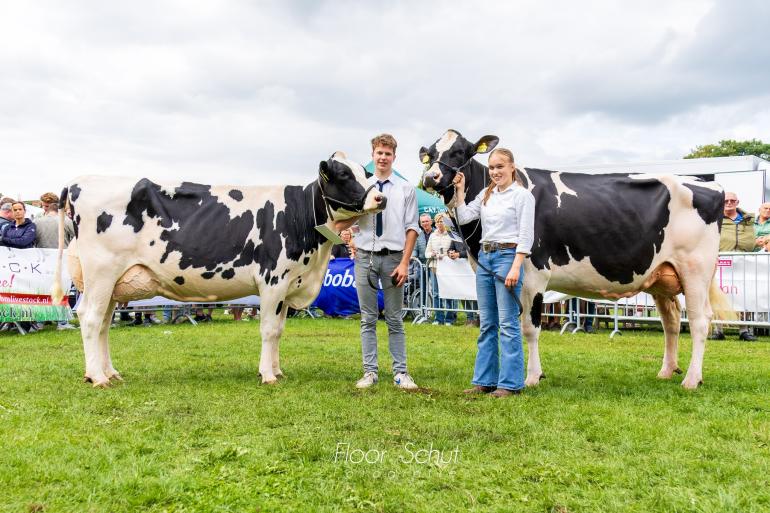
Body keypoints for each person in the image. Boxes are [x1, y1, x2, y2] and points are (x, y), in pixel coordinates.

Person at [454, 148, 535, 398]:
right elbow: (464, 217)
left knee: (508, 323)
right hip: (485, 256)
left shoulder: (522, 195)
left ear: (512, 167)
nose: (495, 172)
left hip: (508, 256)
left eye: (500, 166)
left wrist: (516, 266)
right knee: (487, 323)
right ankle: (485, 380)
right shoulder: (486, 194)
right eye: (491, 167)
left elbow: (526, 235)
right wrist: (460, 191)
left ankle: (510, 384)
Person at [347, 133, 419, 390]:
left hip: (394, 257)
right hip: (365, 256)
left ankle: (401, 372)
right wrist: (351, 237)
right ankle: (370, 372)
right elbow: (352, 219)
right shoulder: (361, 186)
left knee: (395, 318)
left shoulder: (406, 188)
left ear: (394, 157)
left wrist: (405, 263)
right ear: (373, 155)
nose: (383, 157)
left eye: (388, 154)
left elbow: (412, 227)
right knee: (367, 318)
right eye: (379, 153)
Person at [712, 192, 758, 341]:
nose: (729, 203)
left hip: (743, 264)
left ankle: (744, 330)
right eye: (726, 200)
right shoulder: (715, 218)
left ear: (737, 202)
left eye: (732, 200)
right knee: (719, 295)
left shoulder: (747, 220)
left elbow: (751, 241)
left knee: (744, 297)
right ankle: (718, 330)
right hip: (721, 263)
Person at [425, 212, 457, 325]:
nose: (439, 223)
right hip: (434, 267)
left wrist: (446, 255)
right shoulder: (432, 236)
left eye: (441, 221)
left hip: (448, 268)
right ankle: (438, 318)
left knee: (449, 292)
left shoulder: (451, 235)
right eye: (437, 221)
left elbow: (454, 250)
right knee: (435, 293)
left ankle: (449, 319)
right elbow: (426, 253)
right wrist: (432, 254)